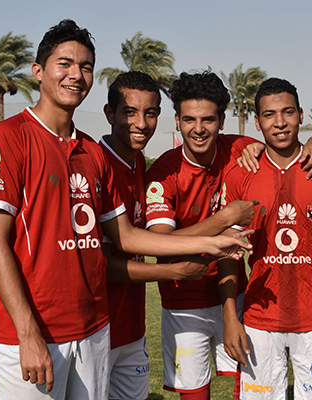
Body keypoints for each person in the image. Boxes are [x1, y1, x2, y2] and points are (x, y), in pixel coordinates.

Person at [0, 20, 251, 400]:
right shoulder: (8, 137)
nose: (76, 74)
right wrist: (26, 331)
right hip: (36, 332)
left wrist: (212, 242)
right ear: (38, 71)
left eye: (86, 66)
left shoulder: (92, 153)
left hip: (94, 328)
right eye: (65, 64)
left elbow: (126, 236)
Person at [145, 70, 312, 400]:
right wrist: (225, 218)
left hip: (238, 293)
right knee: (195, 393)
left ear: (221, 120)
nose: (199, 128)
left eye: (208, 119)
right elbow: (162, 246)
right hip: (184, 298)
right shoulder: (163, 172)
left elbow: (285, 141)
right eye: (189, 119)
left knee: (249, 387)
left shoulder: (241, 148)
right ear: (177, 121)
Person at [218, 78, 312, 400]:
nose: (279, 122)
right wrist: (230, 317)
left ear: (301, 115)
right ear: (257, 122)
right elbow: (228, 252)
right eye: (269, 115)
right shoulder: (241, 174)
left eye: (288, 112)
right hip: (259, 319)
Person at [100, 71, 211, 400]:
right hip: (95, 329)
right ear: (110, 114)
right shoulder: (95, 163)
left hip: (132, 327)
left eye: (149, 113)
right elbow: (101, 262)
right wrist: (173, 271)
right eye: (129, 112)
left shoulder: (139, 165)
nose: (141, 123)